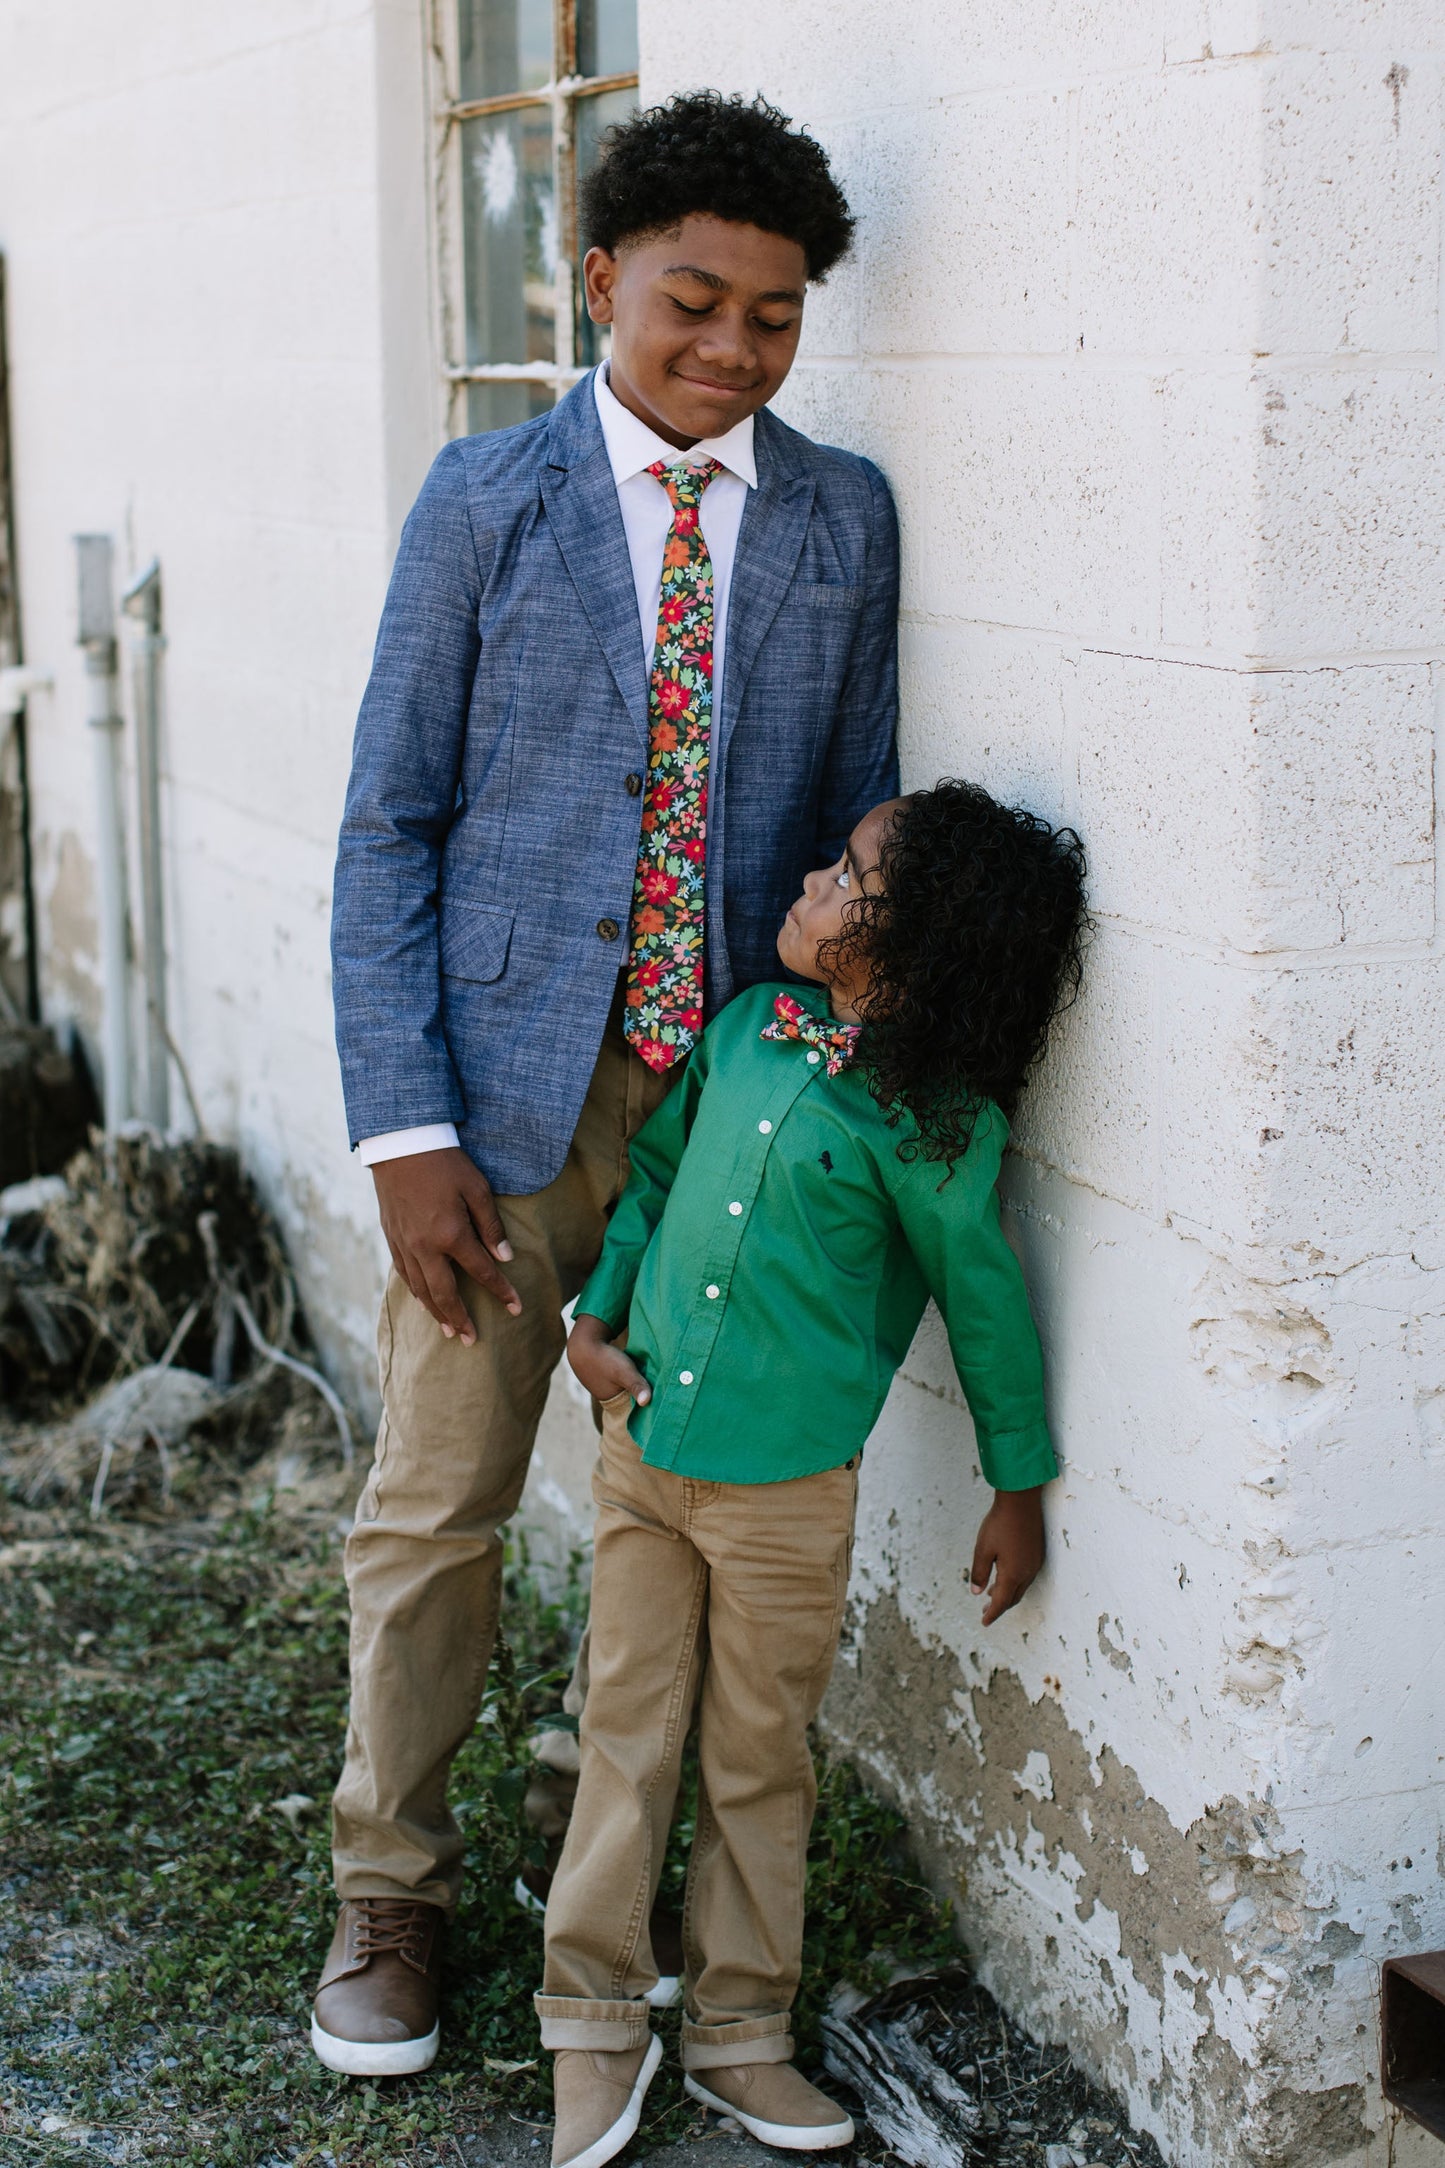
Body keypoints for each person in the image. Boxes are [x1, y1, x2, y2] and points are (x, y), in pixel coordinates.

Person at [316, 90, 901, 2077]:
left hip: (725, 1109)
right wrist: (406, 1133)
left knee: (678, 1499)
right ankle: (388, 1884)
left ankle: (611, 1848)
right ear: (597, 284)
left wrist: (832, 1083)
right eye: (692, 302)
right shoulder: (484, 500)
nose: (732, 347)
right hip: (504, 1107)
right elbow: (389, 824)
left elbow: (852, 810)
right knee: (440, 1495)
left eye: (775, 316)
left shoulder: (839, 517)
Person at [541, 781, 1087, 2167]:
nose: (808, 880)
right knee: (622, 1734)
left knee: (755, 1761)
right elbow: (653, 1180)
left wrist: (1015, 1487)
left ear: (916, 951)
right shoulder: (744, 1031)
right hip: (644, 1450)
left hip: (785, 1498)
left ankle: (739, 2035)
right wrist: (596, 1316)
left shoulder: (933, 1129)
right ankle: (592, 2019)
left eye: (845, 877)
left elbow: (985, 1306)